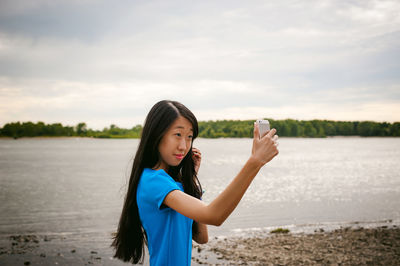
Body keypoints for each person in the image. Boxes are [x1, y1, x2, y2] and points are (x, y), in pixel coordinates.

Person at [111, 100, 279, 265]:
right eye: (178, 135)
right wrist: (255, 161)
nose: (184, 146)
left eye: (189, 137)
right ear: (156, 135)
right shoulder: (154, 181)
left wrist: (190, 180)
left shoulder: (172, 185)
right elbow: (214, 216)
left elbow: (201, 237)